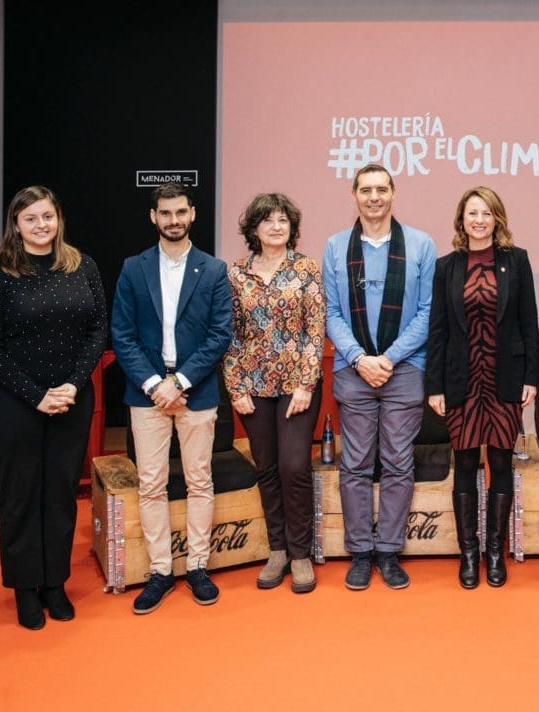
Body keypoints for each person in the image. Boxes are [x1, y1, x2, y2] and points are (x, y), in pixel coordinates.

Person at [0, 186, 107, 630]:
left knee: (60, 493)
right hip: (14, 402)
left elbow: (98, 328)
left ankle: (54, 583)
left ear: (59, 220)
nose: (41, 225)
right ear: (16, 225)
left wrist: (72, 384)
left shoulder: (83, 266)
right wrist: (36, 395)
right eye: (31, 218)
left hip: (71, 399)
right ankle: (24, 588)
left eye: (48, 216)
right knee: (20, 494)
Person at [112, 182, 232, 614]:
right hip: (146, 394)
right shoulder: (133, 268)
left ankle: (198, 566)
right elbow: (122, 335)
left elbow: (220, 334)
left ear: (192, 213)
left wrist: (179, 382)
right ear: (153, 217)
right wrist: (154, 385)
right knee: (151, 485)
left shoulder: (214, 270)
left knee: (200, 481)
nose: (174, 220)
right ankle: (161, 571)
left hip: (196, 392)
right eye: (165, 213)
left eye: (181, 212)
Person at [323, 164, 436, 591]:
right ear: (354, 194)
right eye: (366, 190)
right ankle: (359, 552)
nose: (374, 197)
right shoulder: (335, 246)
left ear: (393, 193)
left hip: (403, 369)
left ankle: (388, 551)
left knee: (397, 462)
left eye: (381, 189)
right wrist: (359, 358)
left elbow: (427, 312)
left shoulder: (421, 245)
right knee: (354, 464)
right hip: (353, 371)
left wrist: (387, 358)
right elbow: (331, 312)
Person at [426, 186, 539, 588]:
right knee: (465, 464)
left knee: (502, 463)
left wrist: (532, 377)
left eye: (486, 213)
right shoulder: (446, 266)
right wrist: (435, 385)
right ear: (462, 219)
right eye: (472, 213)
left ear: (497, 219)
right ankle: (468, 553)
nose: (479, 220)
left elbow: (529, 322)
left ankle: (495, 551)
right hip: (462, 379)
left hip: (504, 378)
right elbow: (437, 330)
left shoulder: (517, 260)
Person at [223, 193, 325, 593]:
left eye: (283, 220)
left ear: (292, 227)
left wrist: (305, 384)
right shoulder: (236, 273)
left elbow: (315, 330)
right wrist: (236, 387)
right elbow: (229, 335)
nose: (276, 227)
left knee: (294, 466)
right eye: (268, 220)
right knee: (266, 468)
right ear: (254, 228)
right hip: (252, 388)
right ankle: (278, 550)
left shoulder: (306, 269)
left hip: (297, 387)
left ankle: (300, 554)